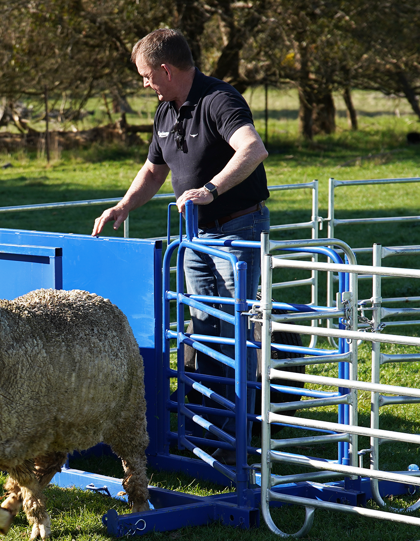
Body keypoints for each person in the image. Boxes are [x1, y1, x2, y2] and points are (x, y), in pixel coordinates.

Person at [91, 28, 269, 465]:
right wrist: (123, 207)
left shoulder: (219, 100)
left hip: (236, 230)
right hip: (194, 238)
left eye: (147, 76)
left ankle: (242, 437)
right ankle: (206, 429)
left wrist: (211, 188)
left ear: (166, 69)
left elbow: (253, 149)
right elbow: (154, 170)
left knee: (239, 329)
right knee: (204, 329)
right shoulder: (165, 111)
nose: (145, 84)